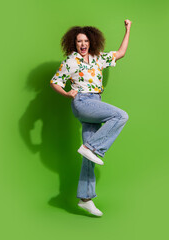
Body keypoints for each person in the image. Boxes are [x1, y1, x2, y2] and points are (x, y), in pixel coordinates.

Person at [50, 19, 132, 216]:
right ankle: (91, 147)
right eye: (79, 41)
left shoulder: (98, 58)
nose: (83, 44)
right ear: (74, 43)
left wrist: (128, 29)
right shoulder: (71, 61)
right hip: (83, 103)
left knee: (89, 159)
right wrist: (67, 93)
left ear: (91, 42)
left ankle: (85, 198)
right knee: (120, 115)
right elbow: (55, 81)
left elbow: (120, 53)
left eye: (86, 41)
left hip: (95, 102)